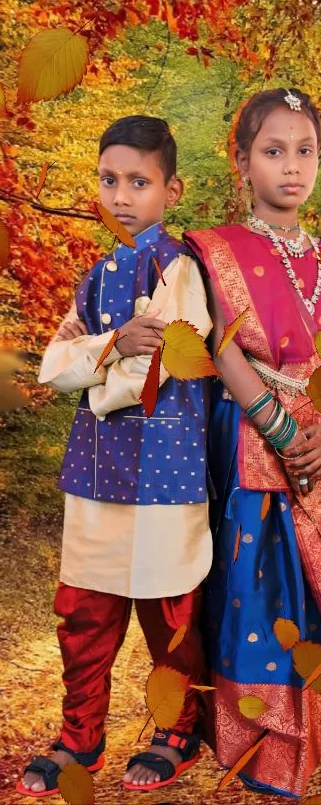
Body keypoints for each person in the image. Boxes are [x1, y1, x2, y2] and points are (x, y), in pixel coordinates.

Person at [183, 88, 321, 798]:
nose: (291, 167)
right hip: (253, 442)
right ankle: (260, 754)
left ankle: (316, 744)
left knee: (316, 595)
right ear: (242, 164)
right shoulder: (214, 251)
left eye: (305, 151)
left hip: (319, 452)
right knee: (256, 591)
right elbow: (220, 345)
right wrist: (277, 424)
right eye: (273, 151)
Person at [17, 116, 213, 797]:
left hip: (166, 466)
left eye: (138, 181)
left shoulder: (180, 269)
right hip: (94, 469)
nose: (121, 195)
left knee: (170, 609)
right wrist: (108, 346)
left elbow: (157, 363)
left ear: (170, 189)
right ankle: (80, 737)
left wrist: (94, 370)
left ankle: (175, 730)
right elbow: (52, 363)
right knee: (84, 609)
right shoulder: (94, 277)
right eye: (109, 180)